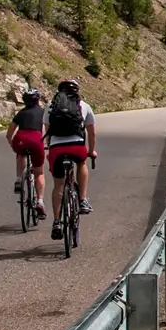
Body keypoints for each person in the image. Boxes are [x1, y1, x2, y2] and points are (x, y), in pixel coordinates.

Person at [45, 78, 97, 240]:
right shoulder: (84, 106)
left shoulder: (51, 106)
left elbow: (47, 131)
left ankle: (56, 222)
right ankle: (82, 199)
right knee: (82, 163)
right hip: (77, 146)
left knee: (58, 185)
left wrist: (51, 146)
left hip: (56, 148)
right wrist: (92, 151)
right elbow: (91, 132)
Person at [7, 85, 48, 219]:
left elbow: (9, 134)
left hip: (20, 139)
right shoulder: (43, 112)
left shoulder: (21, 113)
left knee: (21, 154)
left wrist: (13, 145)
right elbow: (46, 131)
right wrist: (46, 144)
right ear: (38, 100)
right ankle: (40, 201)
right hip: (36, 140)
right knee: (39, 173)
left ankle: (19, 178)